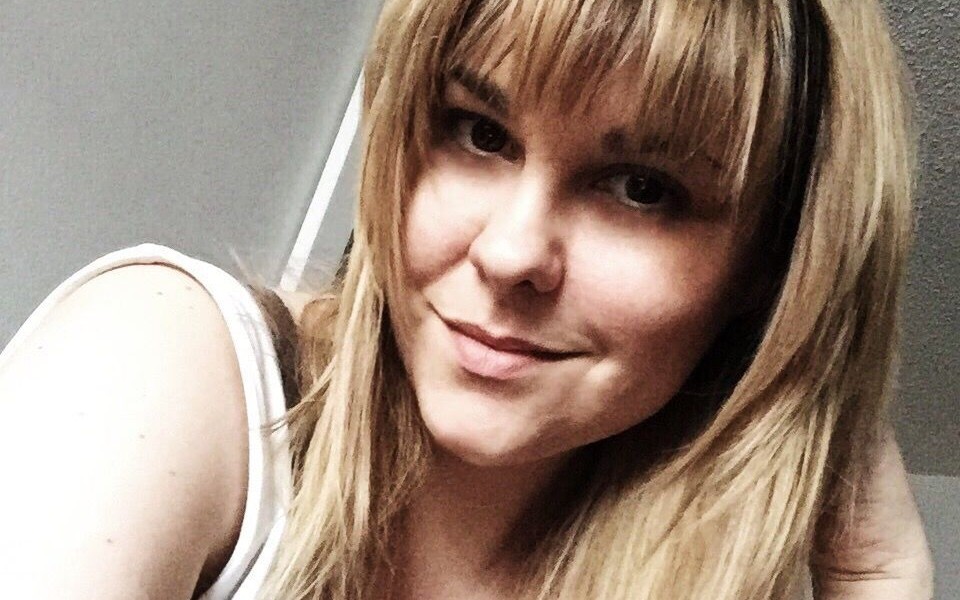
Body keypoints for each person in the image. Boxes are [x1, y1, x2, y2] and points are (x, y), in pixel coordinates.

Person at [0, 0, 934, 598]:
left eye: (641, 189)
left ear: (769, 272)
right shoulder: (162, 368)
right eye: (479, 132)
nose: (510, 252)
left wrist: (880, 576)